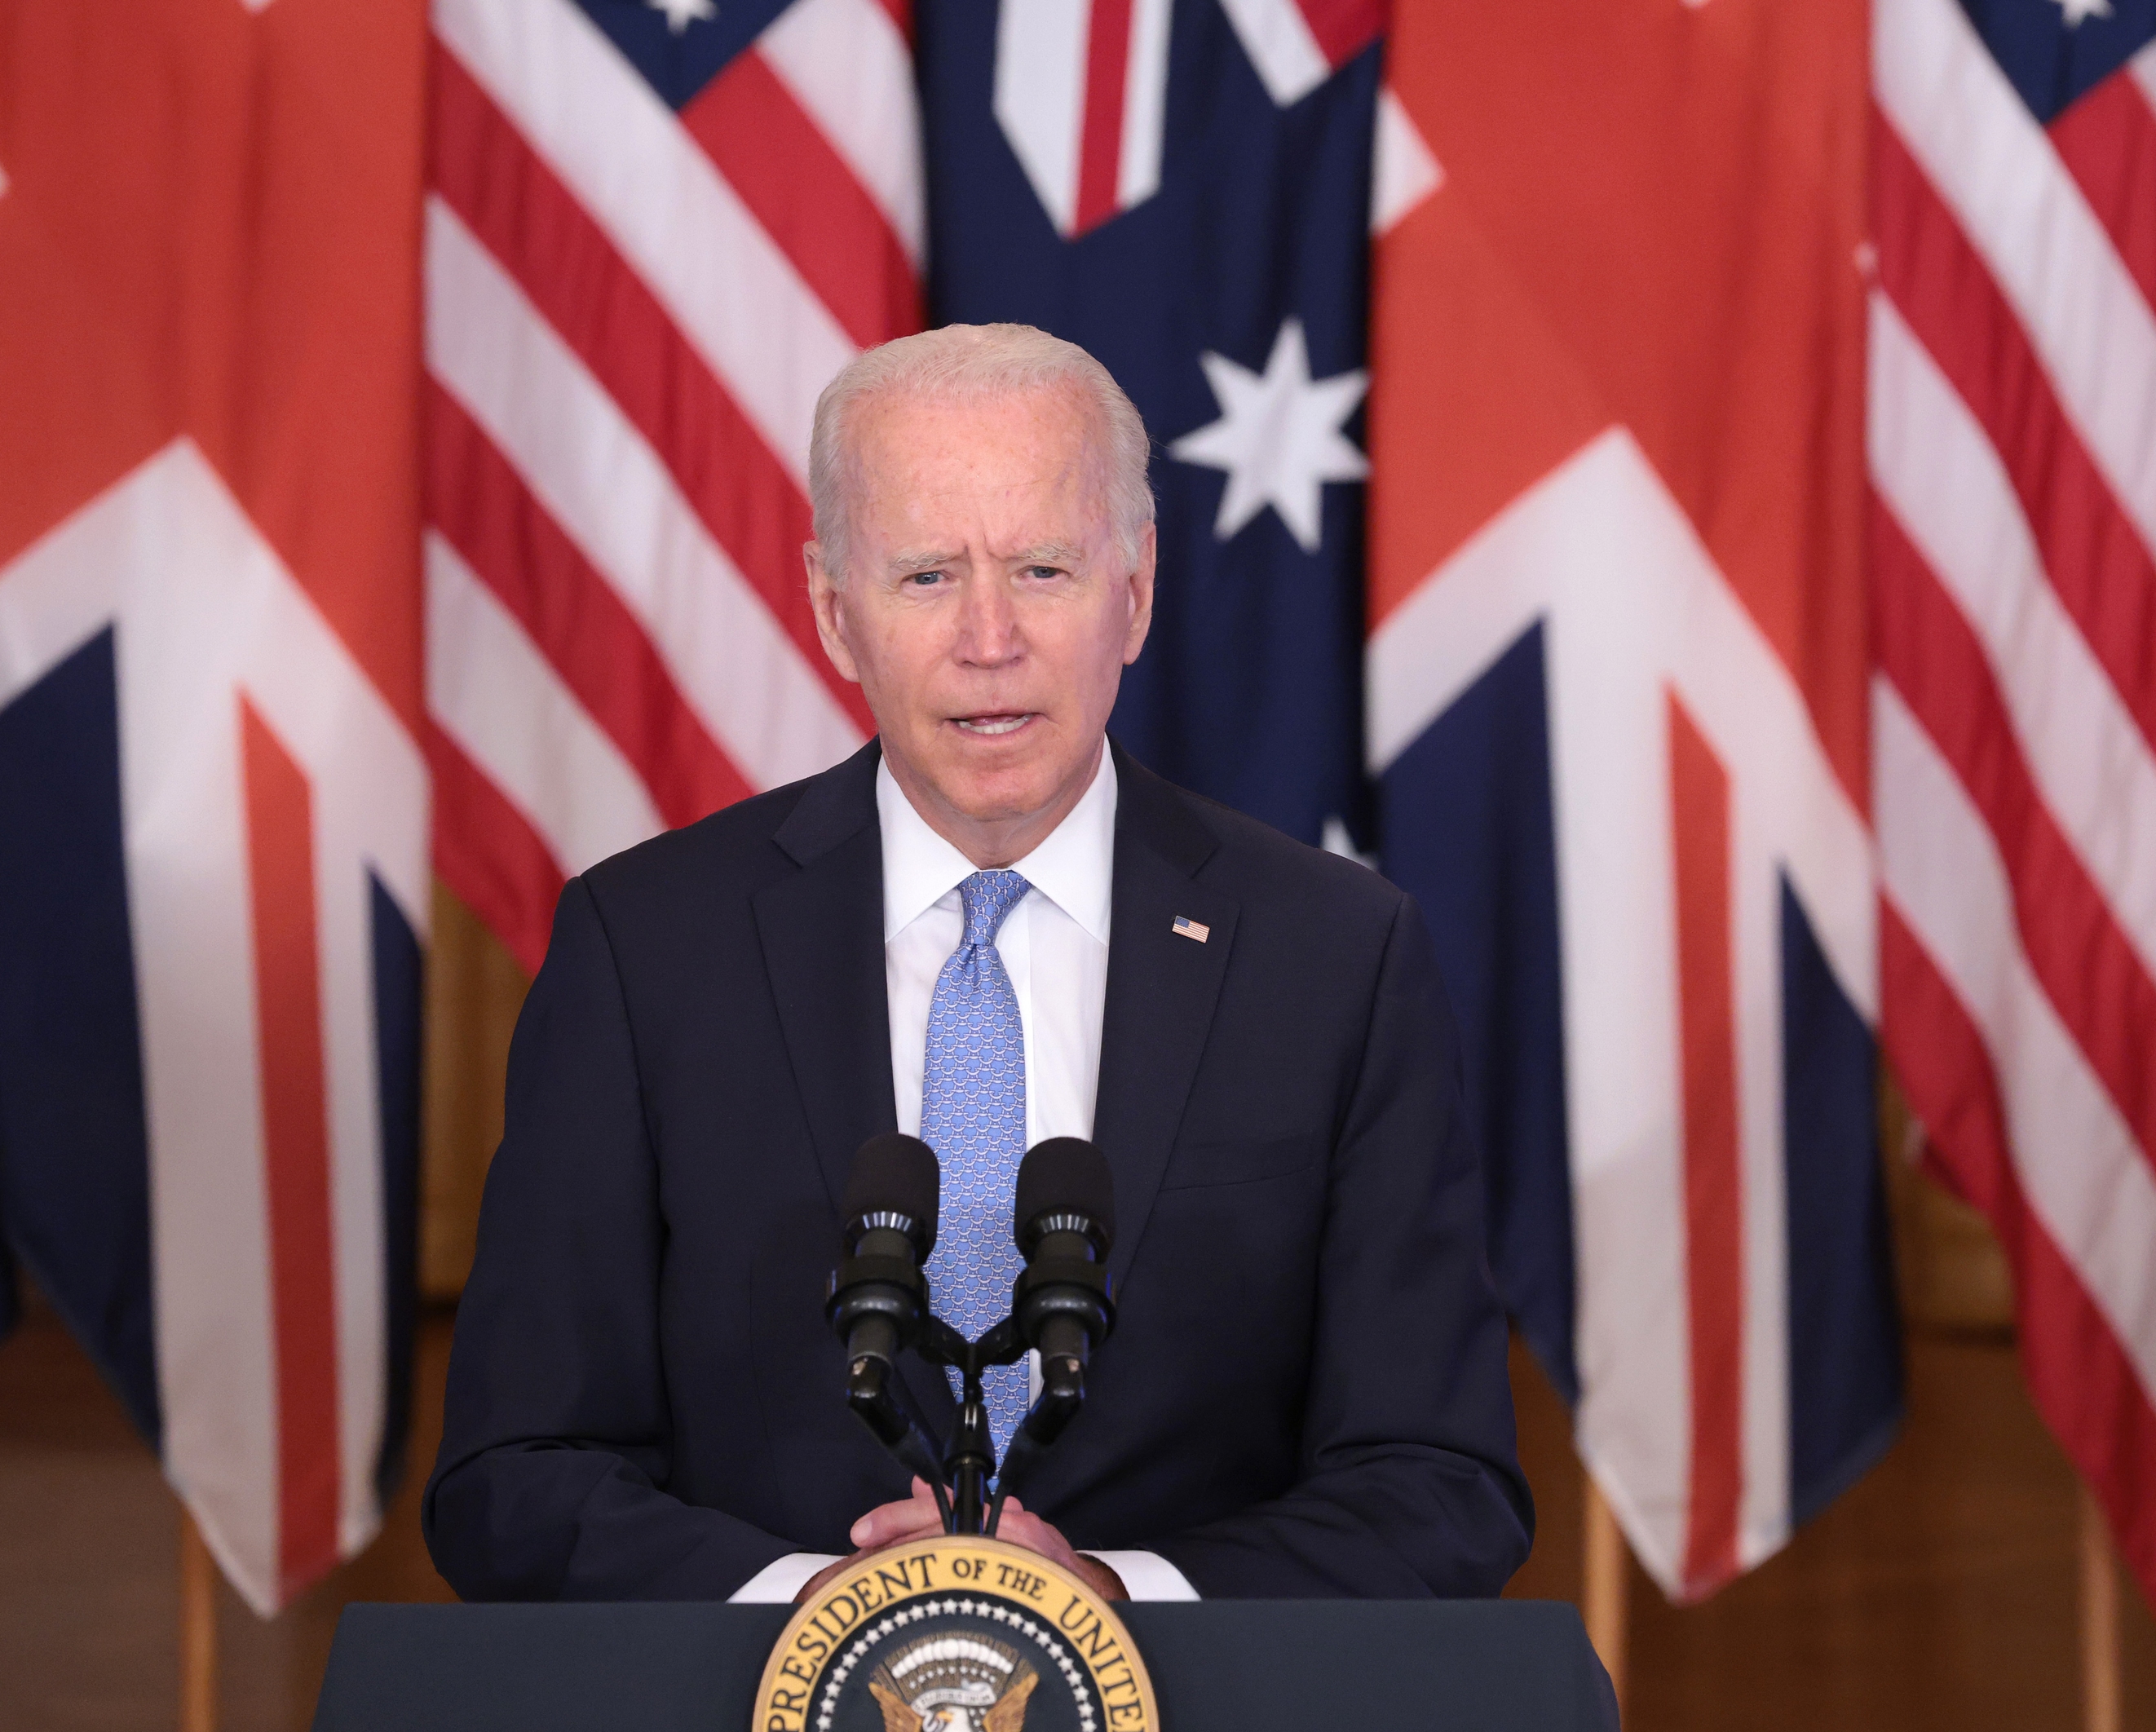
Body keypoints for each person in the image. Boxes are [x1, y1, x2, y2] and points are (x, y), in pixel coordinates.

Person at [426, 323, 1529, 1606]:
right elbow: (514, 1474)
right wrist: (829, 1614)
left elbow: (1442, 1486)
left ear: (1138, 591)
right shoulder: (646, 950)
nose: (989, 639)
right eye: (927, 578)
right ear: (837, 617)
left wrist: (1110, 1602)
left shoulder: (1337, 958)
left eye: (1044, 569)